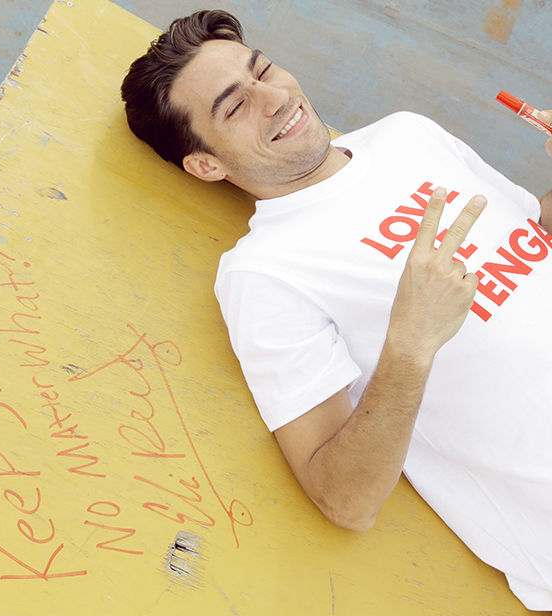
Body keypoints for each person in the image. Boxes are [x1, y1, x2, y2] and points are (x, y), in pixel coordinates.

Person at [121, 10, 552, 610]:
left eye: (263, 70)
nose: (273, 98)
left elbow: (535, 238)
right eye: (236, 107)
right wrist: (411, 342)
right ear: (207, 164)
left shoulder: (409, 134)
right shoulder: (264, 273)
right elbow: (345, 500)